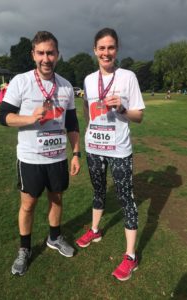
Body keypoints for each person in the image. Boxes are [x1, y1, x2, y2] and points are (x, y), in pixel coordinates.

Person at [0, 31, 81, 276]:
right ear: (33, 54)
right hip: (30, 158)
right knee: (29, 204)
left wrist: (76, 154)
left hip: (57, 158)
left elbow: (73, 124)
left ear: (58, 54)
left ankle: (54, 238)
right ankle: (24, 249)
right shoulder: (21, 81)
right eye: (41, 53)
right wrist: (30, 117)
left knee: (57, 198)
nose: (46, 58)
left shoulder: (65, 85)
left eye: (51, 53)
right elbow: (3, 117)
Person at [76, 28, 145, 281]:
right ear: (95, 50)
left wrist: (122, 108)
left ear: (117, 50)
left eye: (111, 47)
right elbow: (86, 108)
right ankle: (95, 230)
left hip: (119, 150)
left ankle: (130, 256)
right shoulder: (87, 79)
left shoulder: (128, 77)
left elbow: (139, 116)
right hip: (94, 148)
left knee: (126, 198)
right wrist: (91, 130)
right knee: (98, 191)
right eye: (102, 48)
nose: (106, 52)